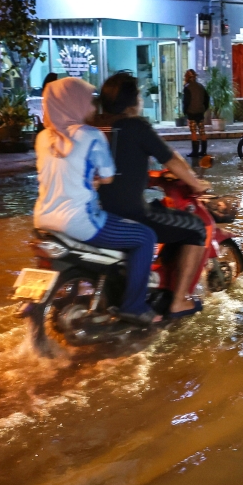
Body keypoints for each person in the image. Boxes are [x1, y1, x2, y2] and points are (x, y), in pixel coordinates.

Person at [33, 77, 159, 325]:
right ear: (73, 104)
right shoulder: (91, 136)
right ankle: (134, 307)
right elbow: (109, 176)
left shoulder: (42, 138)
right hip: (80, 220)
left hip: (42, 221)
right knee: (145, 237)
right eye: (89, 103)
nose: (93, 110)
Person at [95, 73, 212, 319]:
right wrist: (196, 183)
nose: (140, 99)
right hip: (133, 214)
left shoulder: (96, 125)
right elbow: (171, 159)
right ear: (131, 101)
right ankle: (179, 301)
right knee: (197, 228)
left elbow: (118, 166)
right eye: (138, 95)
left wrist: (148, 177)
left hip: (97, 215)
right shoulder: (136, 126)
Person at [182, 69, 210, 158]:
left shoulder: (187, 87)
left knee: (193, 131)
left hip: (191, 112)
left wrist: (185, 111)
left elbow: (186, 101)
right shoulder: (201, 86)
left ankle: (195, 152)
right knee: (202, 131)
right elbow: (207, 99)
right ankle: (203, 151)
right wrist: (204, 108)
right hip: (200, 112)